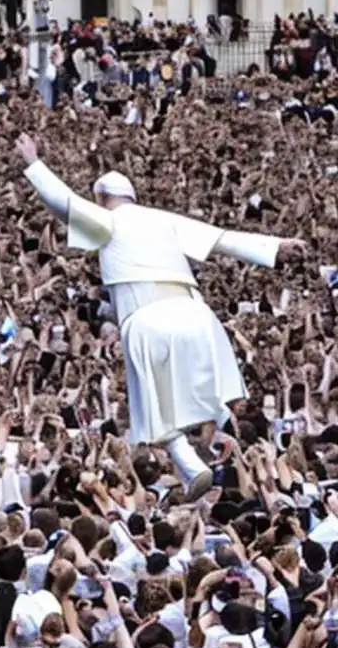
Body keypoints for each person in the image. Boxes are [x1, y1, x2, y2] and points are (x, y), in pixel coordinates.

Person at [16, 131, 307, 499]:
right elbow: (222, 239)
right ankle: (219, 437)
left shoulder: (109, 219)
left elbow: (64, 203)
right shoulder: (165, 219)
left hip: (146, 319)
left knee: (154, 403)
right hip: (196, 316)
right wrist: (276, 247)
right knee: (204, 389)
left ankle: (189, 461)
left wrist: (33, 162)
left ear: (103, 199)